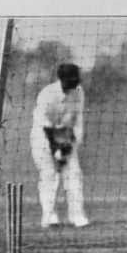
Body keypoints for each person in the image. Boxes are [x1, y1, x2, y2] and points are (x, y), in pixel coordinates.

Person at [30, 63, 89, 229]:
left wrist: (71, 144)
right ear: (63, 78)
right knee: (49, 174)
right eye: (73, 77)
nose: (77, 80)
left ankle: (77, 215)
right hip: (42, 137)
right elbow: (44, 124)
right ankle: (49, 216)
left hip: (65, 136)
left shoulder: (79, 92)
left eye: (77, 77)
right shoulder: (47, 93)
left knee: (74, 173)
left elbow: (78, 121)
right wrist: (56, 148)